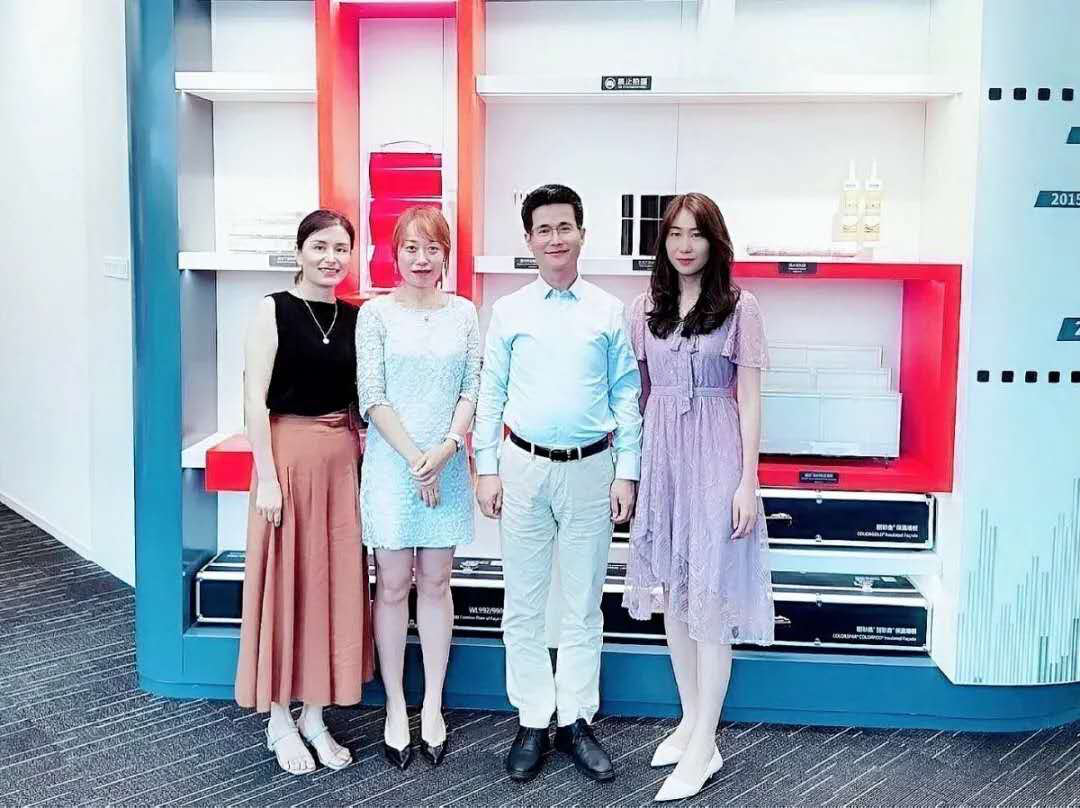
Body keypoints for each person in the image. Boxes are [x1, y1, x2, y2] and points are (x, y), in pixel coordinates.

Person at [474, 184, 642, 784]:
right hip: (523, 468)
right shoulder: (510, 311)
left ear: (582, 234)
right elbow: (491, 392)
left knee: (582, 603)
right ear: (529, 240)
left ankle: (575, 720)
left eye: (564, 227)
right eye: (542, 229)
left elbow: (626, 393)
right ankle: (531, 718)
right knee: (522, 603)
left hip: (592, 470)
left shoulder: (608, 311)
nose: (554, 239)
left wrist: (628, 471)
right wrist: (486, 467)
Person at [622, 193, 774, 802]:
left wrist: (747, 481)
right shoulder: (644, 308)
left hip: (717, 455)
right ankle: (690, 722)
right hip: (662, 456)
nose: (685, 246)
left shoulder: (740, 306)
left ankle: (707, 740)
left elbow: (751, 398)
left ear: (716, 241)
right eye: (675, 234)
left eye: (697, 234)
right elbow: (636, 396)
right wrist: (630, 472)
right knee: (673, 595)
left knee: (709, 598)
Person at [235, 209, 375, 775]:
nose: (330, 258)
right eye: (320, 246)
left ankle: (315, 714)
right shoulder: (272, 310)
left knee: (331, 587)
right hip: (286, 461)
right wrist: (267, 478)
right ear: (300, 252)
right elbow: (253, 401)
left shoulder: (357, 317)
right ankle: (278, 718)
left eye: (341, 248)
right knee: (285, 585)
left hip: (341, 463)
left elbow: (366, 400)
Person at [356, 206, 481, 770]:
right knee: (390, 585)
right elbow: (372, 395)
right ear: (395, 253)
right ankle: (394, 706)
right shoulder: (376, 315)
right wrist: (416, 461)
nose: (421, 259)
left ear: (445, 255)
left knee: (435, 583)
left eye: (432, 248)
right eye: (411, 247)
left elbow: (472, 389)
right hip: (393, 467)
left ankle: (431, 704)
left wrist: (446, 450)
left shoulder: (464, 313)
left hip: (446, 463)